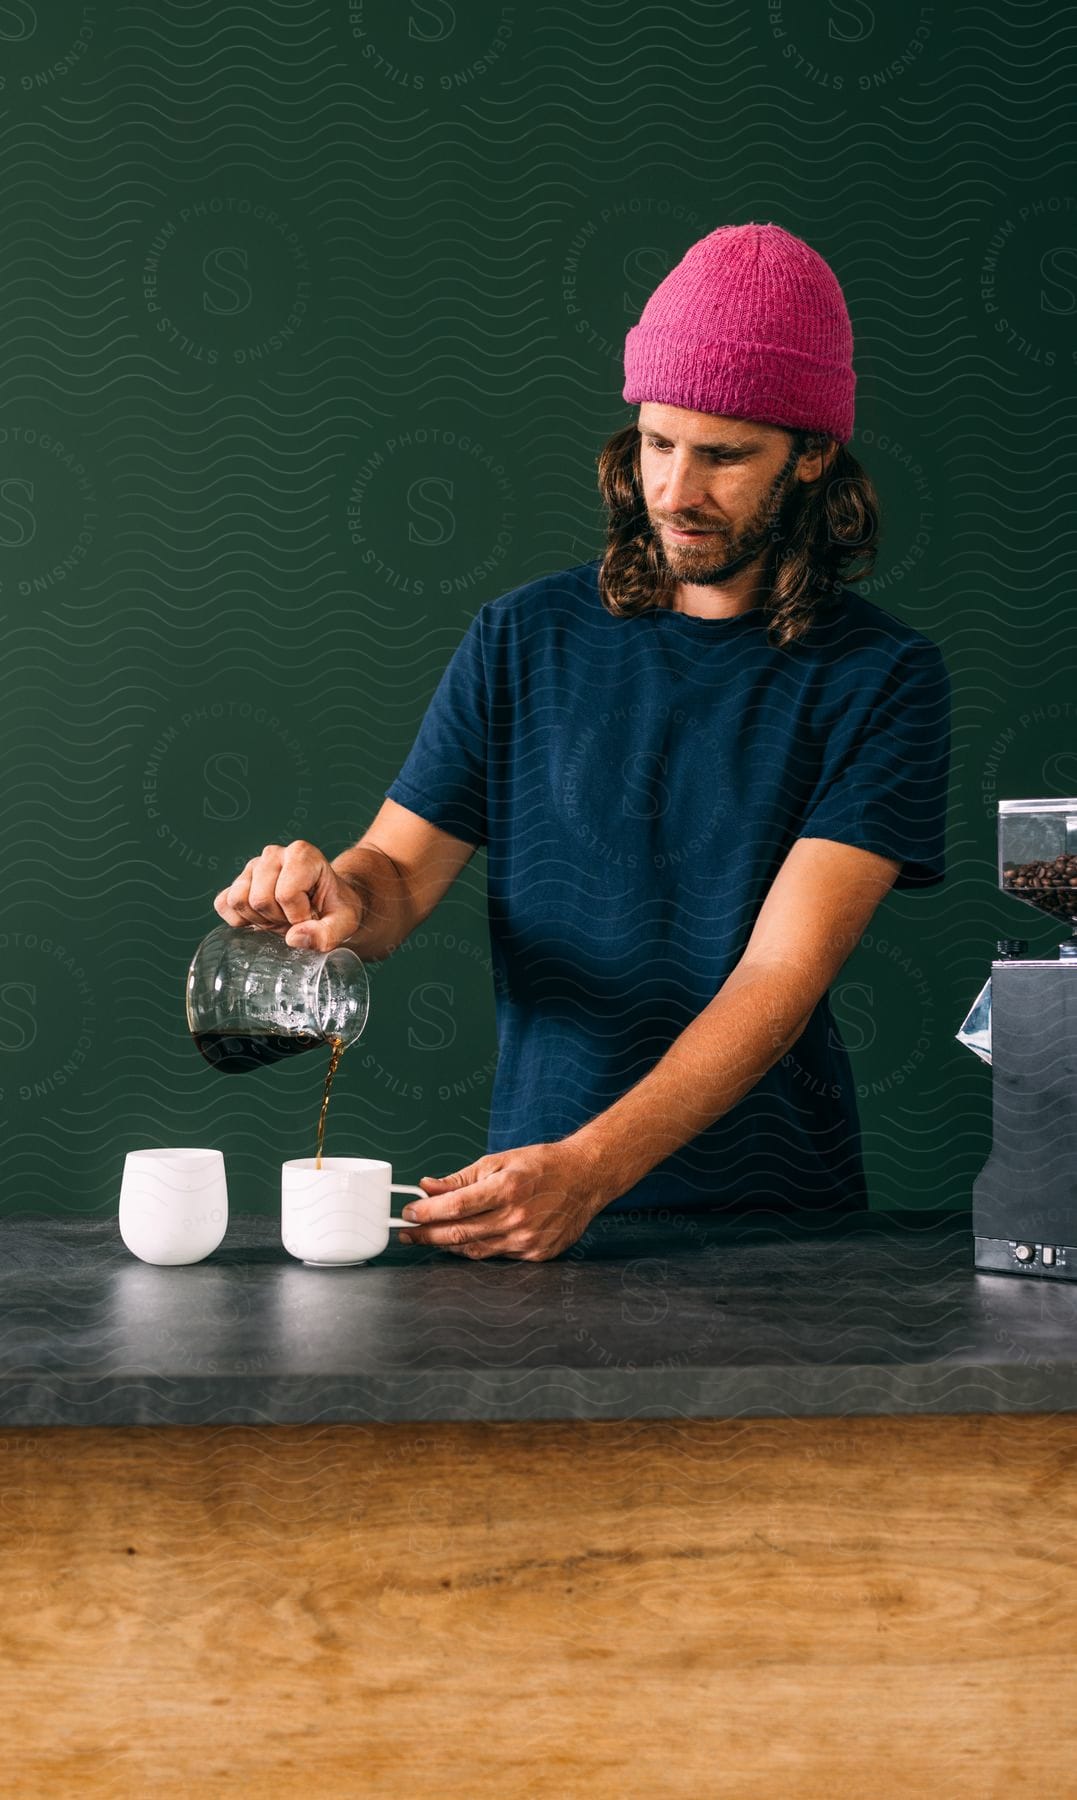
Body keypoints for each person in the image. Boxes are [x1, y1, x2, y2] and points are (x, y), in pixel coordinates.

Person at [214, 221, 951, 1262]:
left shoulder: (883, 679)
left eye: (726, 455)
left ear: (815, 454)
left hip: (775, 1229)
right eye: (657, 442)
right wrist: (327, 898)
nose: (677, 491)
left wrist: (595, 1167)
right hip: (529, 1211)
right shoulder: (521, 637)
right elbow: (395, 883)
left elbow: (779, 974)